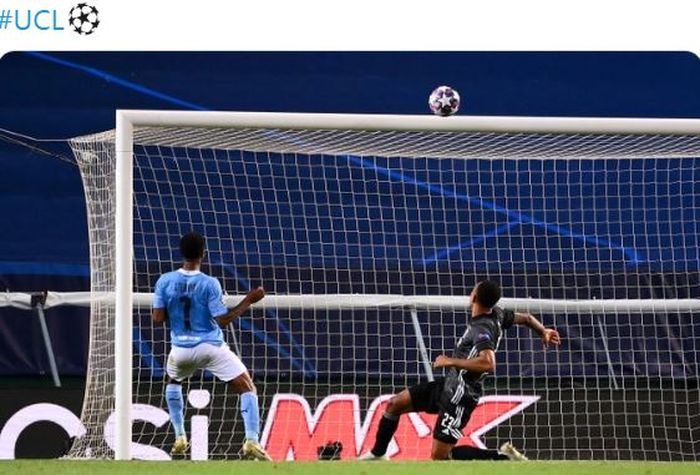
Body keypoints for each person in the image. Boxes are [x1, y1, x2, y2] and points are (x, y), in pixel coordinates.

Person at [359, 280, 561, 461]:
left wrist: (450, 361)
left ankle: (501, 456)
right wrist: (543, 331)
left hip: (461, 395)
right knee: (395, 403)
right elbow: (525, 318)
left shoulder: (481, 329)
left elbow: (487, 363)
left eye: (474, 288)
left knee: (440, 457)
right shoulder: (497, 313)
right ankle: (378, 453)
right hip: (449, 385)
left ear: (474, 297)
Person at [152, 232, 271, 461]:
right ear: (203, 254)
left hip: (180, 350)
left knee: (174, 381)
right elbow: (223, 320)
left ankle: (179, 435)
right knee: (247, 387)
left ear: (181, 253)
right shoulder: (209, 283)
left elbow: (157, 318)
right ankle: (251, 440)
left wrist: (176, 309)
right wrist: (249, 299)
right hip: (210, 347)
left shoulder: (164, 281)